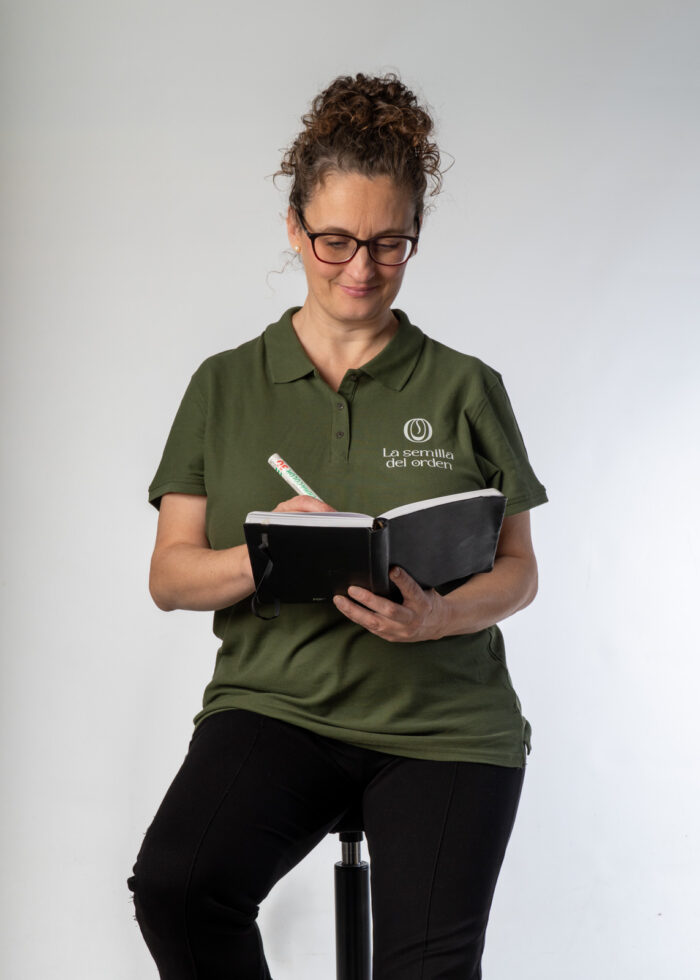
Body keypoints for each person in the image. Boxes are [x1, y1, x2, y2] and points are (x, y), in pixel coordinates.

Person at [128, 72, 547, 979]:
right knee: (178, 887)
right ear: (293, 228)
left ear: (415, 239)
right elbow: (171, 577)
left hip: (444, 722)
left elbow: (519, 571)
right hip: (277, 706)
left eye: (390, 244)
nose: (361, 268)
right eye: (336, 241)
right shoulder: (224, 384)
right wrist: (271, 551)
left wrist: (436, 616)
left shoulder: (466, 386)